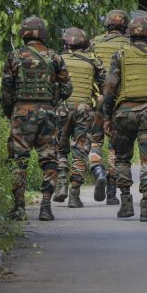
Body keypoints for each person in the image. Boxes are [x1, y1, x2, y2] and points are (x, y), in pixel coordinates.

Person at [102, 15, 147, 222]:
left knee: (122, 158)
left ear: (131, 33)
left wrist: (106, 117)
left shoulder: (120, 55)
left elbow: (109, 89)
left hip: (123, 115)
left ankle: (126, 204)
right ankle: (146, 207)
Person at [0, 16, 72, 221]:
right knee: (49, 160)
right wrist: (52, 101)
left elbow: (6, 90)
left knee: (18, 160)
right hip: (47, 113)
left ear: (23, 34)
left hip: (21, 113)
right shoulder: (55, 57)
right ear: (43, 34)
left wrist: (11, 112)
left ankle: (19, 208)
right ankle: (46, 207)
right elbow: (67, 88)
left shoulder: (14, 56)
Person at [53, 27, 107, 207]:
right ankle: (74, 196)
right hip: (85, 110)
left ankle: (62, 183)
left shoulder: (57, 59)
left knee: (60, 149)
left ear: (66, 44)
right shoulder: (94, 61)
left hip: (62, 109)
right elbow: (106, 86)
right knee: (80, 152)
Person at [87, 9, 132, 205]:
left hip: (98, 101)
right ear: (125, 26)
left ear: (106, 24)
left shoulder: (94, 43)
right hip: (120, 103)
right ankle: (112, 193)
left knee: (95, 142)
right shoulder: (130, 45)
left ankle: (98, 172)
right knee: (116, 148)